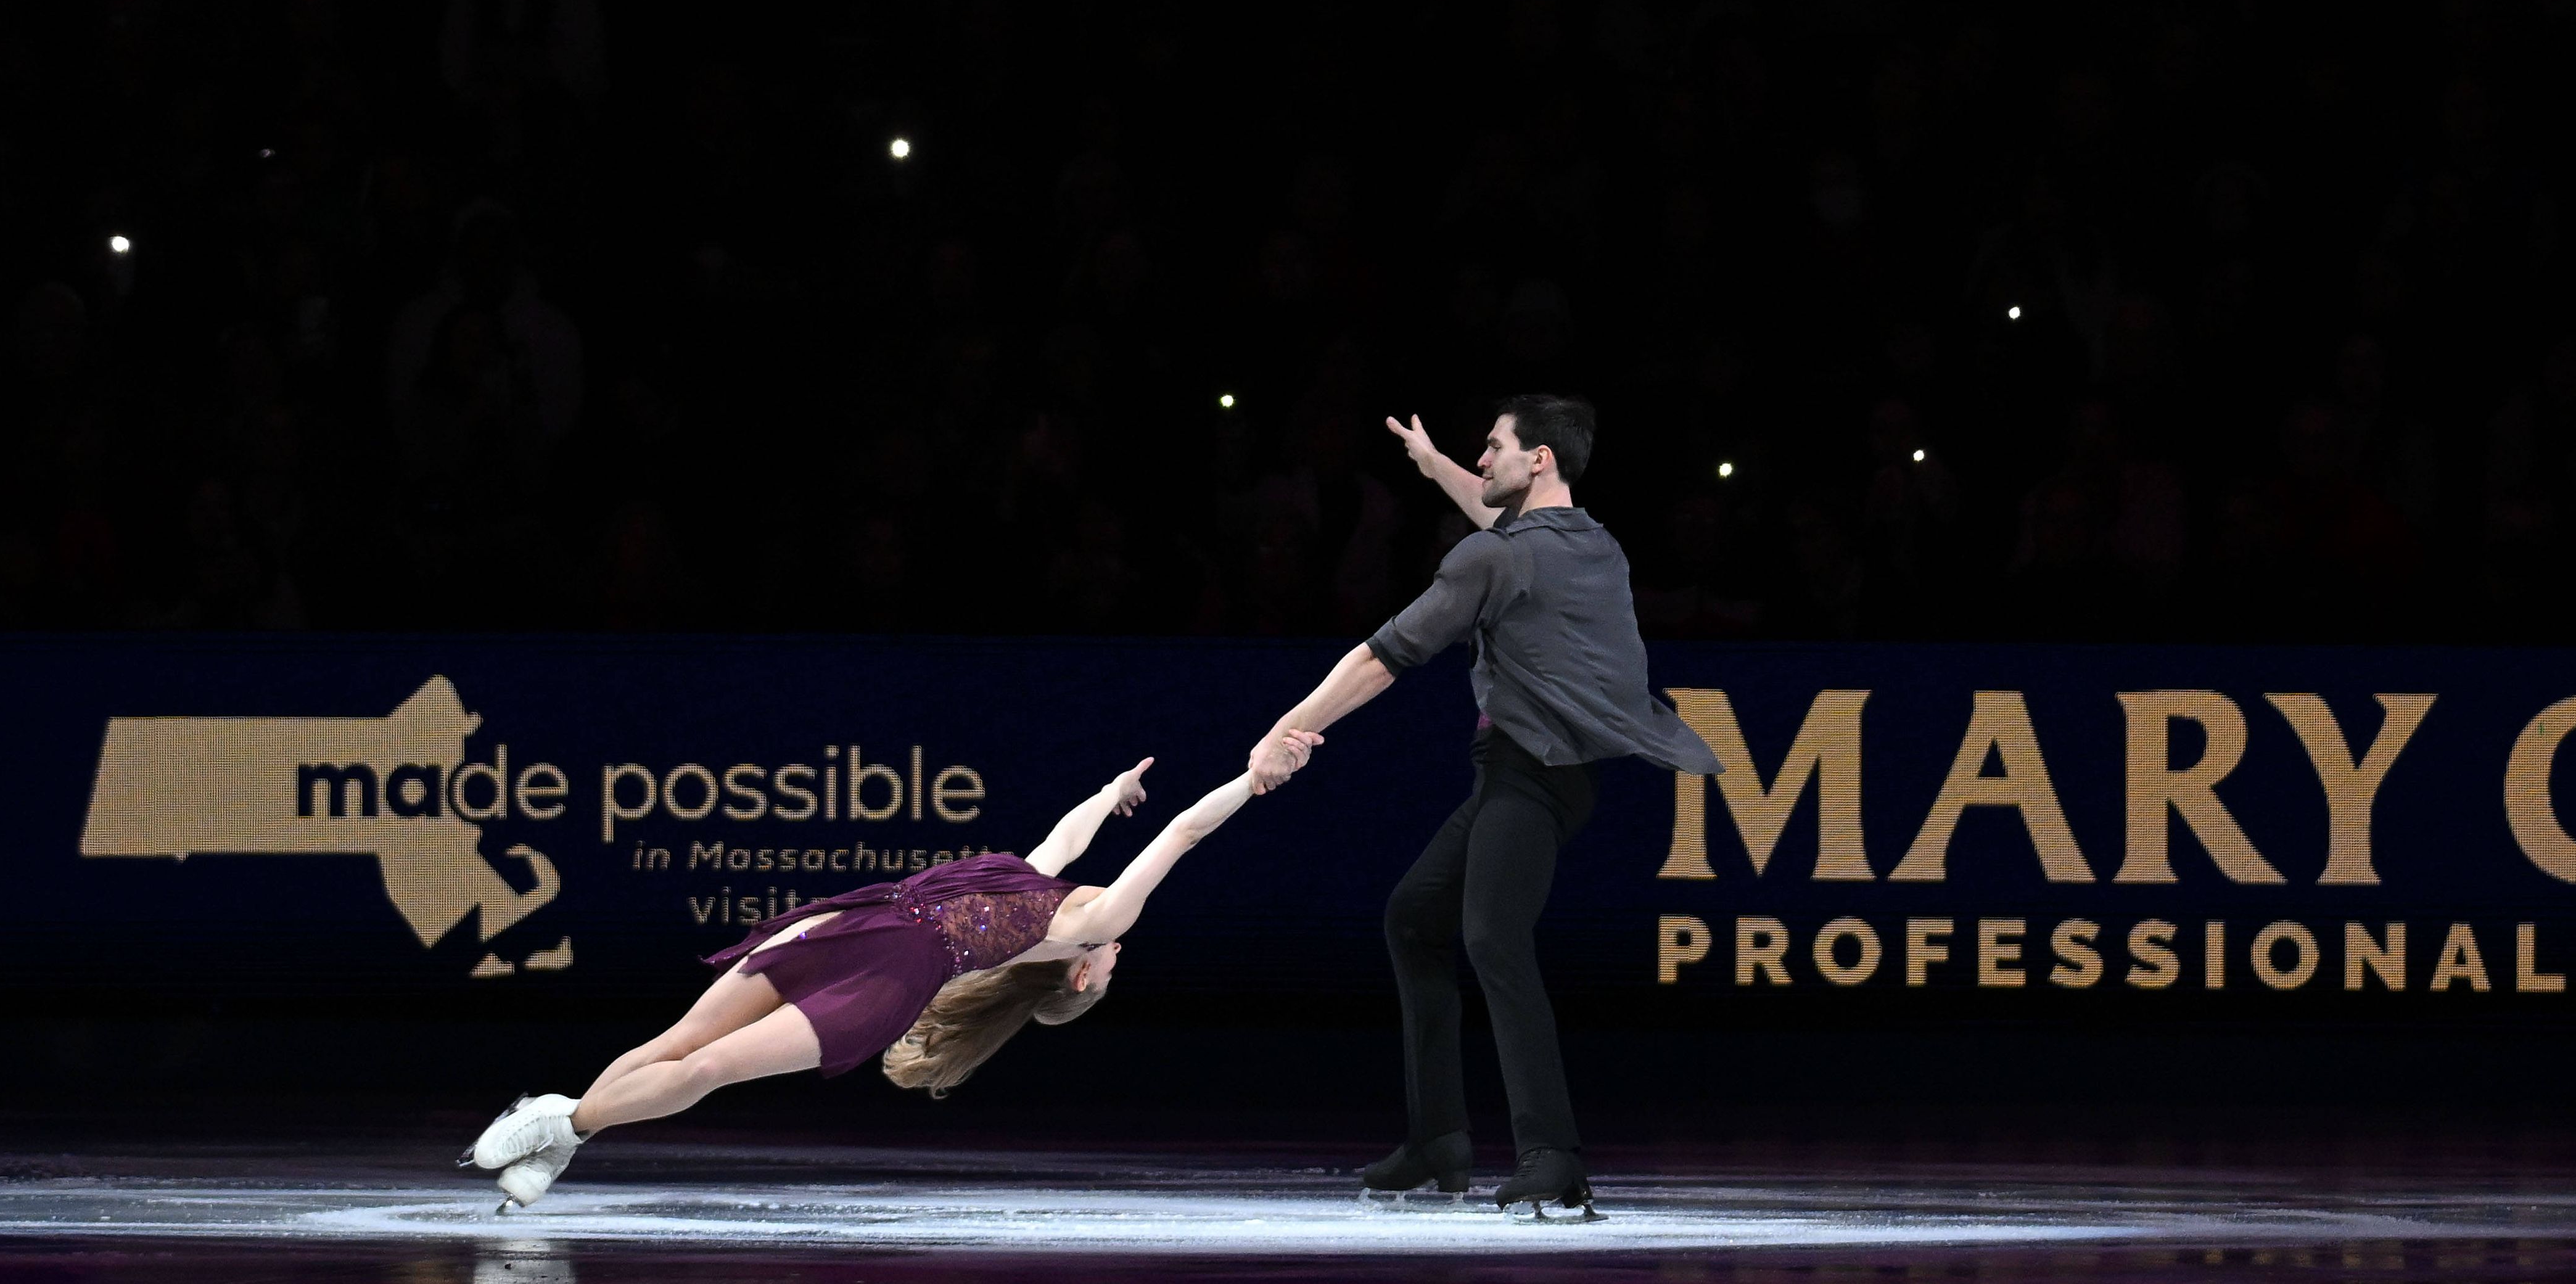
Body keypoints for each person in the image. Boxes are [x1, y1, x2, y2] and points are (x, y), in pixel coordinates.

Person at [1247, 395, 1720, 1219]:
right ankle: (1440, 1139)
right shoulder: (1593, 543)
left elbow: (1383, 657)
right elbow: (1505, 527)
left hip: (1528, 771)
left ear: (1539, 458)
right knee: (1414, 919)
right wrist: (1435, 467)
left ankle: (1553, 1152)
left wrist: (1285, 730)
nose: (1483, 459)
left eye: (1494, 447)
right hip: (1552, 777)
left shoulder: (1492, 558)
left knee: (1494, 936)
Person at [466, 755, 1258, 1209]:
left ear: (1083, 971)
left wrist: (1253, 780)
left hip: (889, 980)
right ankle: (567, 1135)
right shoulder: (1040, 882)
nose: (1122, 953)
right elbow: (1067, 836)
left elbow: (1183, 832)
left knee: (707, 1068)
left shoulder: (1093, 921)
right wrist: (1113, 793)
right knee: (678, 1040)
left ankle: (559, 1121)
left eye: (1113, 966)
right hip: (858, 922)